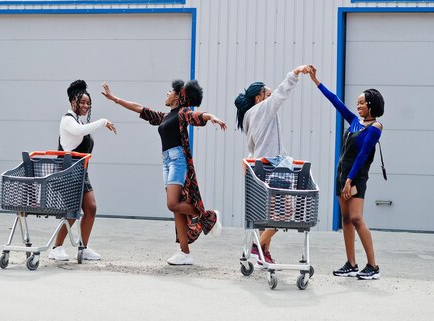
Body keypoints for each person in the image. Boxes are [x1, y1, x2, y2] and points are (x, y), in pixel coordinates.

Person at [102, 79, 226, 266]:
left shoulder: (183, 113)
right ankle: (184, 252)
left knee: (172, 204)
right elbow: (140, 109)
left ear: (177, 96)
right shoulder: (165, 117)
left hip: (178, 161)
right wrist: (115, 99)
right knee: (177, 207)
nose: (166, 94)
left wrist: (212, 117)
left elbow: (199, 115)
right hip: (167, 162)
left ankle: (209, 216)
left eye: (169, 91)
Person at [307, 65, 384, 280]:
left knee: (358, 219)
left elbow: (362, 156)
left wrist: (350, 181)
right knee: (346, 219)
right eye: (357, 103)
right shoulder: (354, 122)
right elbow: (336, 102)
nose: (358, 106)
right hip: (342, 176)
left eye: (361, 103)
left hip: (356, 177)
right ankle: (351, 264)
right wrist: (317, 82)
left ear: (371, 104)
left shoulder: (375, 127)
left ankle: (373, 266)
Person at [234, 65, 310, 266]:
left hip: (260, 167)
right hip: (275, 168)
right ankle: (258, 245)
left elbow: (251, 146)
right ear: (259, 97)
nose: (271, 96)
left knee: (266, 216)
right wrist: (295, 73)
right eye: (267, 94)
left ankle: (263, 254)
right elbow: (282, 92)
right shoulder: (264, 108)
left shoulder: (248, 116)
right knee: (285, 214)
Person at [48, 80, 117, 262]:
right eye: (82, 102)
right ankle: (56, 248)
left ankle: (83, 247)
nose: (86, 106)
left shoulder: (77, 119)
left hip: (80, 172)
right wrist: (103, 121)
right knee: (72, 210)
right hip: (67, 171)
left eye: (88, 103)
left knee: (91, 208)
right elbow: (79, 131)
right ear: (73, 102)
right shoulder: (67, 120)